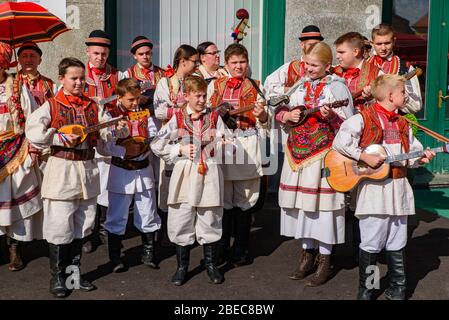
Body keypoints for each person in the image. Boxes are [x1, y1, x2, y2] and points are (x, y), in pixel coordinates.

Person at [25, 57, 128, 298]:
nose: (79, 82)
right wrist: (58, 137)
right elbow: (34, 133)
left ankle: (74, 276)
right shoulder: (51, 105)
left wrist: (115, 131)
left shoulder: (93, 106)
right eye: (74, 78)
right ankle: (58, 277)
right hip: (61, 170)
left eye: (82, 78)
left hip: (87, 169)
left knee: (83, 224)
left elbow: (104, 139)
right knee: (60, 224)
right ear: (62, 79)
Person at [332, 74, 435, 300]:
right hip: (374, 190)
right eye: (402, 93)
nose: (406, 96)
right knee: (371, 241)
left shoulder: (403, 123)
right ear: (390, 95)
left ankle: (398, 289)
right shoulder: (363, 118)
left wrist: (421, 158)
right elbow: (340, 142)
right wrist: (363, 156)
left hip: (398, 187)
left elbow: (411, 152)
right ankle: (367, 290)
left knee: (397, 239)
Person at [274, 42, 354, 286]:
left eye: (314, 65)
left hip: (323, 154)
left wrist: (333, 118)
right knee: (303, 208)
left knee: (324, 209)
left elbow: (350, 124)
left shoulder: (337, 88)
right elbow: (280, 107)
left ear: (327, 66)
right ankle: (306, 254)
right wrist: (286, 115)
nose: (308, 68)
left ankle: (325, 260)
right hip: (297, 154)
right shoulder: (299, 84)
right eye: (306, 63)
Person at [151, 75, 230, 285]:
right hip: (184, 172)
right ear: (186, 96)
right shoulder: (176, 117)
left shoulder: (213, 117)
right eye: (198, 96)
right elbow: (156, 144)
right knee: (181, 216)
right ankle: (182, 267)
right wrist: (179, 149)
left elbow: (227, 138)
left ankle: (212, 265)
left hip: (209, 171)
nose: (203, 100)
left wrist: (223, 144)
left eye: (205, 95)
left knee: (210, 216)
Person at [208, 43, 270, 266]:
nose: (238, 66)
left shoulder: (257, 86)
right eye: (233, 62)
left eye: (242, 62)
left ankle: (242, 248)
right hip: (222, 145)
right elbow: (205, 113)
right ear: (226, 64)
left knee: (244, 199)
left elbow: (266, 123)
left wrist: (262, 115)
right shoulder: (215, 85)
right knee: (224, 199)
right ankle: (222, 246)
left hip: (247, 144)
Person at [104, 78, 161, 272]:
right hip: (121, 170)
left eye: (137, 98)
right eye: (130, 100)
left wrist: (148, 144)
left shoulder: (145, 113)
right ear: (119, 98)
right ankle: (115, 256)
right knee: (117, 215)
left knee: (147, 212)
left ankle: (149, 251)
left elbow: (155, 135)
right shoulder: (110, 115)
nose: (135, 103)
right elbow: (103, 146)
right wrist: (123, 149)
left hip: (144, 169)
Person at [0, 42, 43, 272]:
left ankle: (15, 248)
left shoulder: (16, 87)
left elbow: (33, 117)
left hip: (15, 147)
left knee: (15, 200)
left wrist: (34, 147)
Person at [83, 30, 122, 253]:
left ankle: (106, 228)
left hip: (109, 134)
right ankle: (88, 231)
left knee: (107, 184)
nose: (100, 58)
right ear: (88, 51)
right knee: (89, 185)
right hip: (87, 137)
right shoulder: (78, 74)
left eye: (104, 54)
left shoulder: (117, 74)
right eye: (96, 53)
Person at [153, 44, 199, 226]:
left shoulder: (196, 81)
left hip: (193, 138)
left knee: (191, 183)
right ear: (183, 61)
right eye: (194, 62)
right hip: (172, 139)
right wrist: (184, 110)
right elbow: (159, 111)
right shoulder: (165, 82)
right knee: (168, 183)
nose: (197, 65)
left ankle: (190, 225)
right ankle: (166, 227)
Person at [368, 23, 422, 114]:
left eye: (387, 43)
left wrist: (400, 96)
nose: (383, 48)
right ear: (372, 43)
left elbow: (417, 105)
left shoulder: (405, 68)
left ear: (394, 41)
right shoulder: (364, 66)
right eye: (379, 44)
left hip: (395, 123)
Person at [333, 32, 381, 111]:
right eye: (337, 52)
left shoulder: (377, 74)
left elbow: (387, 106)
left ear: (355, 52)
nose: (337, 56)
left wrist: (371, 100)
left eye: (341, 52)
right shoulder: (333, 73)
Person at [17, 41, 56, 106]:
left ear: (39, 61)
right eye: (24, 56)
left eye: (32, 56)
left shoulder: (50, 85)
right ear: (19, 60)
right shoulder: (10, 81)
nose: (28, 59)